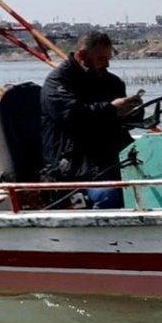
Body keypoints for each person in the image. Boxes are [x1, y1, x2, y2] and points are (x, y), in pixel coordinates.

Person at [40, 31, 143, 209]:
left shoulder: (112, 82)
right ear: (82, 55)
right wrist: (111, 109)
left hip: (109, 156)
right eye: (102, 59)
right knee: (109, 196)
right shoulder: (57, 83)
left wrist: (132, 111)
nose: (107, 64)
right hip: (74, 163)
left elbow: (117, 120)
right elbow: (73, 117)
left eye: (108, 58)